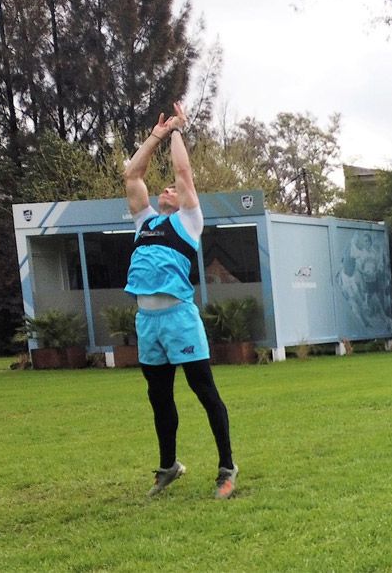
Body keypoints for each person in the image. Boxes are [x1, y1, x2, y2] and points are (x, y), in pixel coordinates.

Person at [123, 103, 238, 499]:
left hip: (179, 319)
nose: (168, 189)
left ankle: (227, 468)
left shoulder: (189, 221)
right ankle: (169, 466)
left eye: (173, 189)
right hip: (147, 322)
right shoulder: (144, 221)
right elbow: (132, 174)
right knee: (159, 398)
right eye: (166, 189)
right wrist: (155, 134)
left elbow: (184, 173)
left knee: (204, 392)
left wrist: (176, 131)